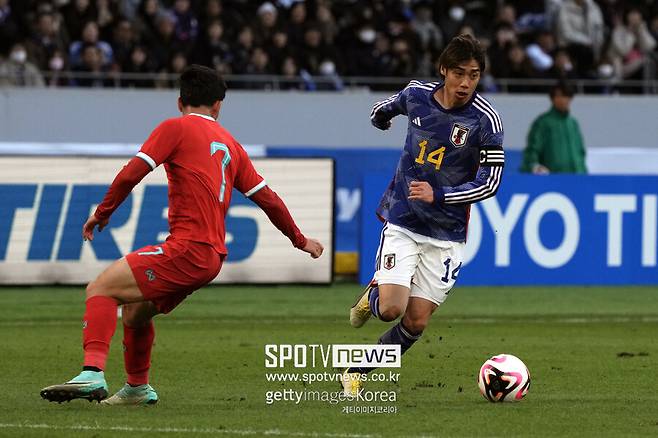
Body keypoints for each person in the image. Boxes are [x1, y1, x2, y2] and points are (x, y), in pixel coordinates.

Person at [40, 64, 324, 405]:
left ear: (179, 102)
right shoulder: (231, 145)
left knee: (100, 288)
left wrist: (102, 214)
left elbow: (131, 174)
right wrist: (300, 240)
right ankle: (137, 388)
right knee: (135, 311)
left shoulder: (175, 128)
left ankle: (92, 372)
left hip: (188, 249)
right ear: (218, 106)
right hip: (211, 257)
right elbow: (268, 199)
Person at [343, 34, 504, 396]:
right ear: (443, 70)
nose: (465, 83)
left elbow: (490, 182)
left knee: (415, 322)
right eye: (459, 73)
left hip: (447, 236)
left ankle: (358, 370)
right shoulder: (417, 94)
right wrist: (380, 119)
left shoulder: (486, 120)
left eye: (474, 76)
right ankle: (374, 297)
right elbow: (385, 108)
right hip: (404, 219)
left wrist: (440, 194)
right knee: (391, 310)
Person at [520, 82, 587, 174]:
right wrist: (534, 165)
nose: (563, 100)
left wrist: (583, 171)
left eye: (566, 96)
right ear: (552, 99)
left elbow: (581, 152)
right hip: (553, 179)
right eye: (559, 96)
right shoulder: (543, 122)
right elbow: (532, 150)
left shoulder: (573, 123)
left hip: (578, 177)